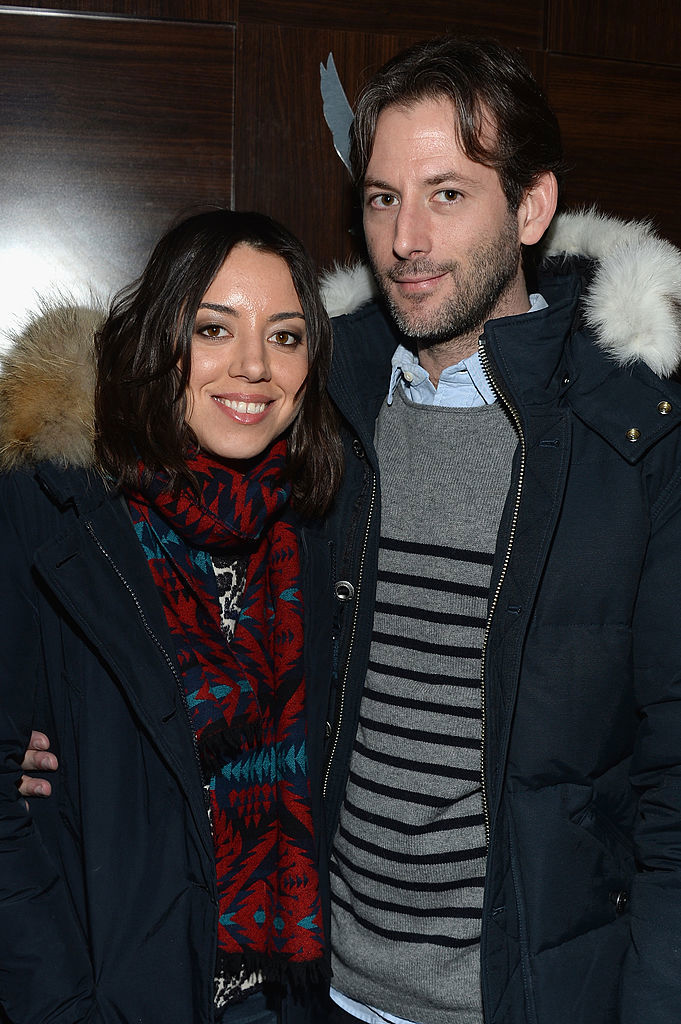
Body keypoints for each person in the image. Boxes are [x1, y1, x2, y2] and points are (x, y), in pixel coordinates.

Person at [20, 35, 681, 1024]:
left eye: (447, 193)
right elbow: (174, 591)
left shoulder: (630, 440)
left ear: (532, 206)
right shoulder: (323, 408)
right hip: (317, 996)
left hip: (531, 998)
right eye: (381, 197)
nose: (406, 237)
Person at [0, 209, 343, 1023]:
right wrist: (61, 1006)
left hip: (289, 996)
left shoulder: (325, 525)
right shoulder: (54, 512)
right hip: (116, 992)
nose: (254, 366)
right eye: (215, 329)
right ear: (162, 340)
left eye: (287, 337)